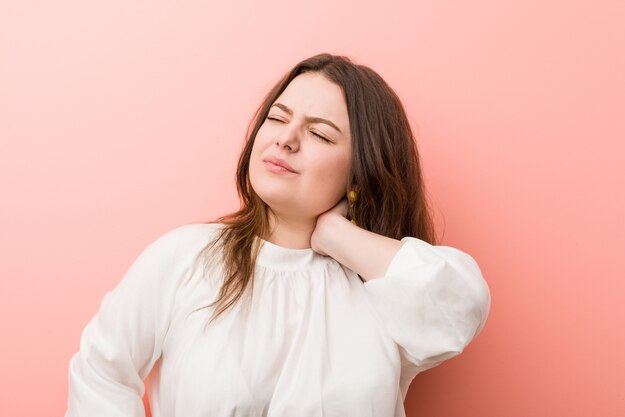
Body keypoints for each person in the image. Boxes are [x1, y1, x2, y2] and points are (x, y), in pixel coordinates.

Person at [64, 52, 491, 417]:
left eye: (320, 133)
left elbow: (458, 308)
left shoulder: (383, 290)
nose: (285, 139)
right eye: (276, 118)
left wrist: (337, 237)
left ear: (361, 169)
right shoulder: (184, 257)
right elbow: (100, 374)